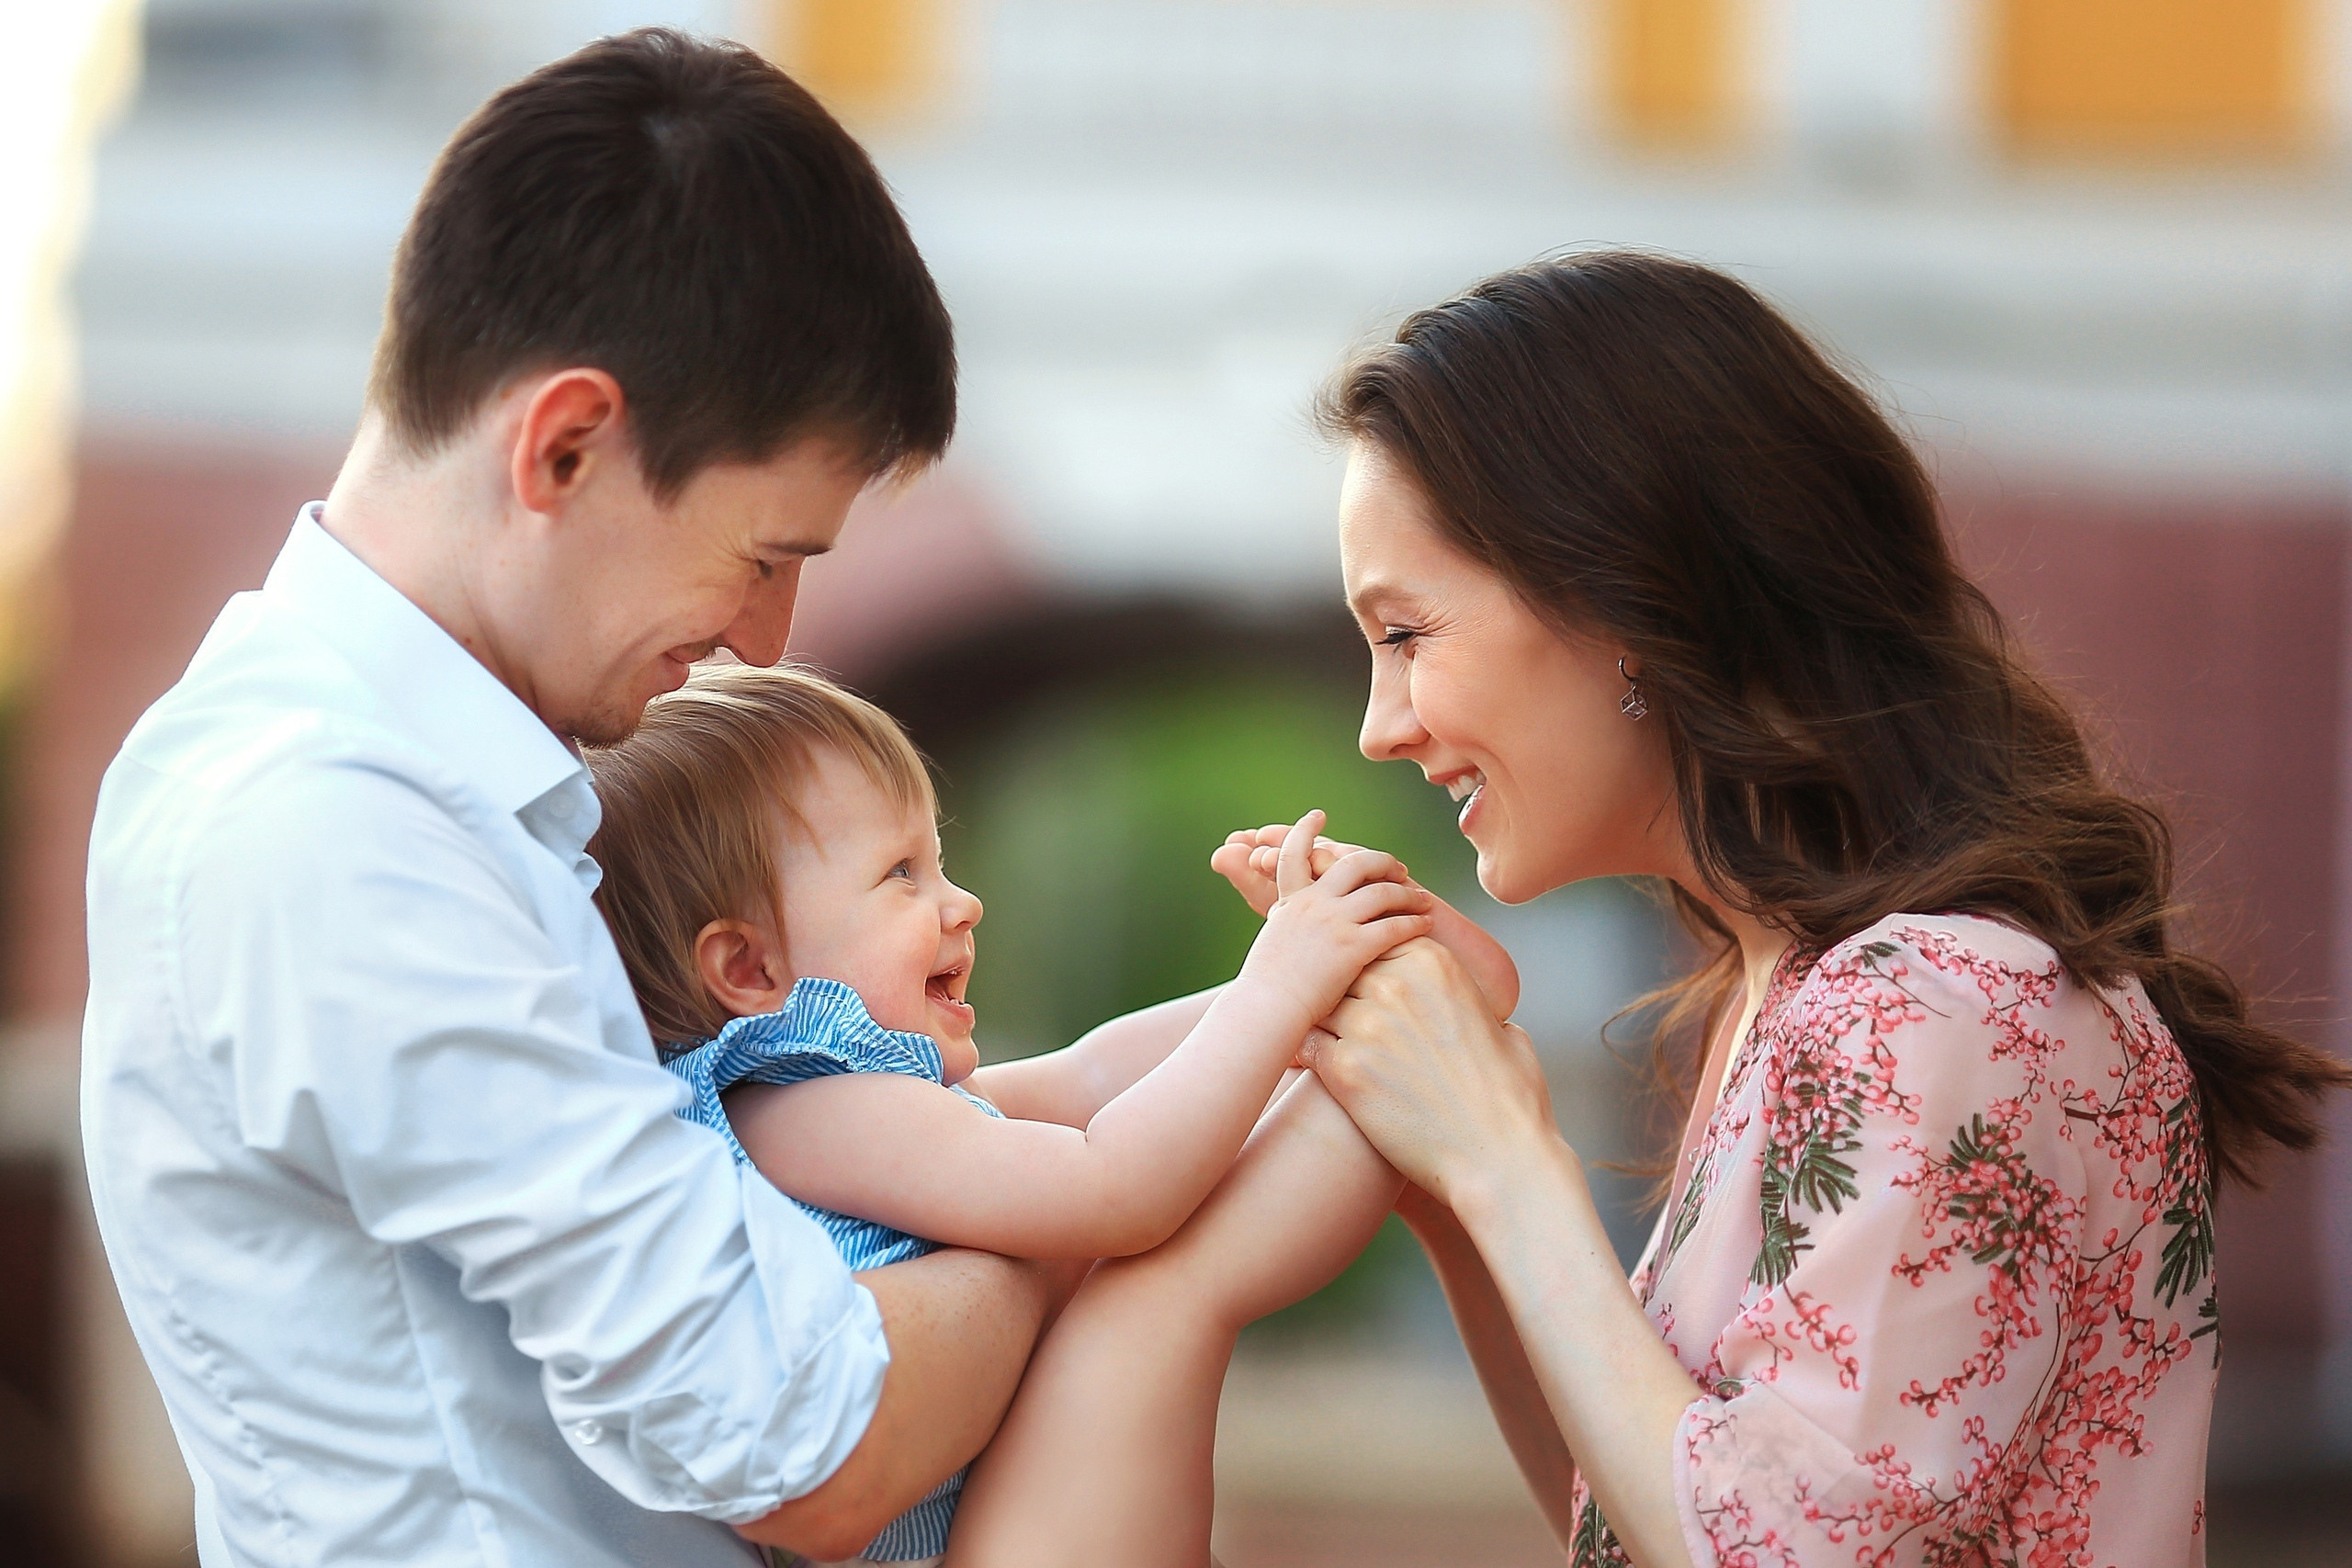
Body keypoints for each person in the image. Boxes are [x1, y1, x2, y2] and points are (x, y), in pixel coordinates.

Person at [82, 30, 1059, 1566]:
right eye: (765, 555)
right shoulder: (336, 836)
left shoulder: (393, 797)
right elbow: (807, 1440)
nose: (764, 638)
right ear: (569, 444)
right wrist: (1091, 1230)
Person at [1267, 251, 2352, 1565]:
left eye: (1405, 634)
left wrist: (1505, 1157)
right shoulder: (1808, 992)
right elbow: (1639, 1502)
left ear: (1620, 597)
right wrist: (1454, 1176)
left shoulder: (1934, 1003)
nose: (1383, 727)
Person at [581, 662, 1516, 1564]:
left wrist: (1316, 968)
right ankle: (1417, 1013)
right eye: (901, 875)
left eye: (938, 860)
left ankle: (1413, 988)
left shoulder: (876, 1108)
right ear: (750, 971)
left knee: (1345, 1076)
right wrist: (1282, 990)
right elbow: (1115, 1184)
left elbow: (1092, 1079)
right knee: (1298, 1150)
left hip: (1014, 1525)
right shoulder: (792, 1109)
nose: (963, 902)